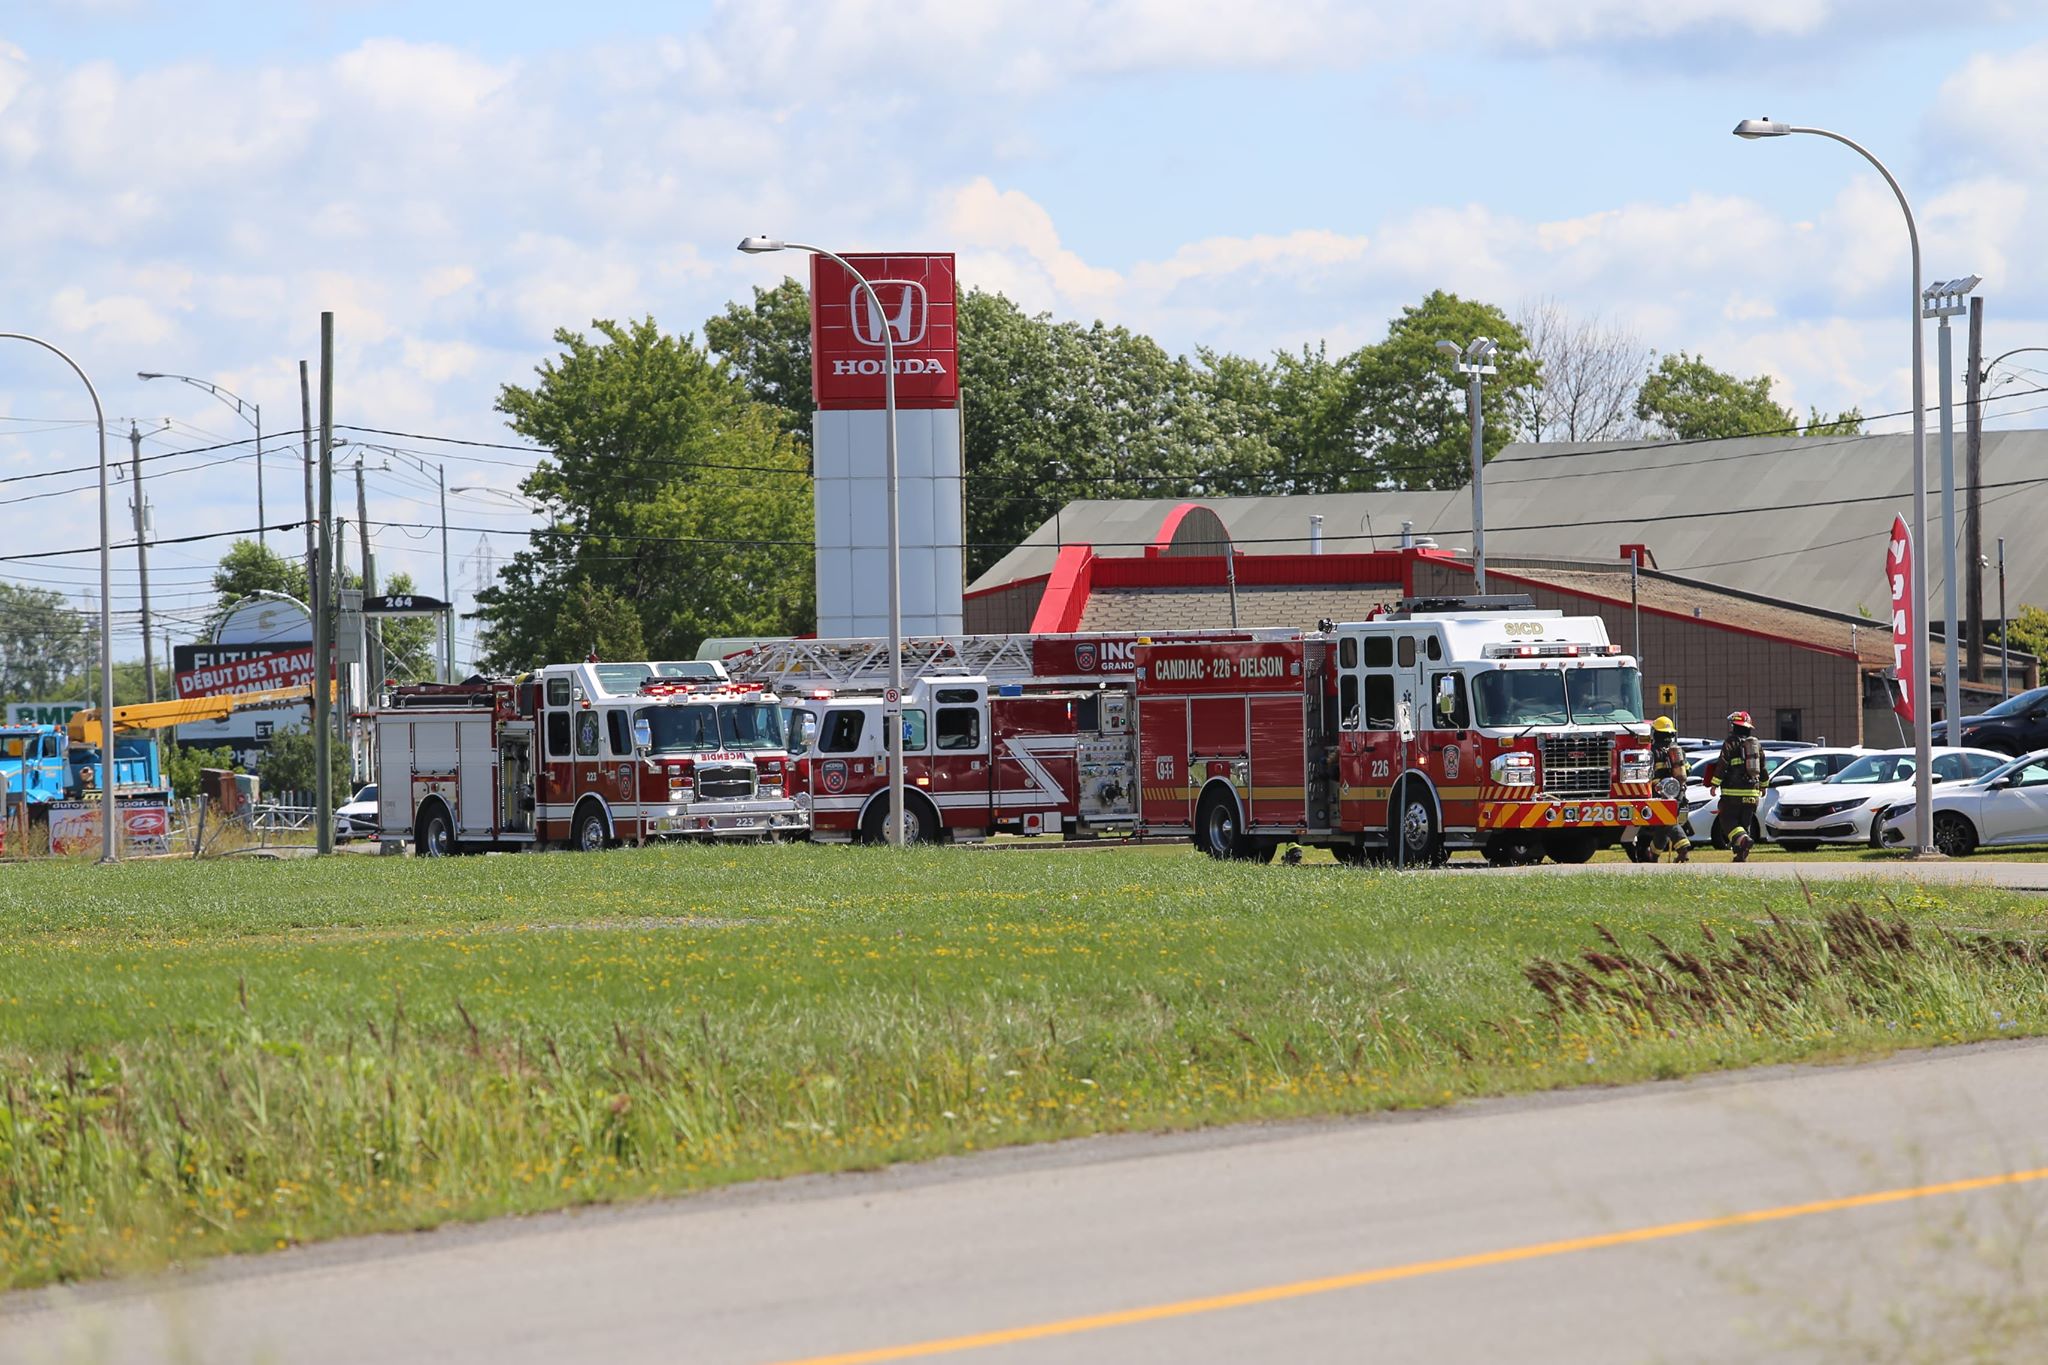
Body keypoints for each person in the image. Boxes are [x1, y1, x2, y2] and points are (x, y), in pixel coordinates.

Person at [1711, 710, 1765, 863]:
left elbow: (1722, 764)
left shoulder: (1730, 742)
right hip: (1752, 794)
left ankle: (1742, 841)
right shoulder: (1756, 745)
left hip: (1732, 794)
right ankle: (1741, 854)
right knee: (1744, 824)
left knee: (1727, 821)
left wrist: (1714, 784)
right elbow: (1763, 767)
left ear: (1734, 726)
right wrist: (1763, 786)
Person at [1649, 715, 1690, 862]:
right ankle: (1652, 855)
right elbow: (1688, 770)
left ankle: (1683, 849)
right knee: (1662, 826)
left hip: (1661, 793)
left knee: (1668, 822)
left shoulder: (1653, 751)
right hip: (1679, 793)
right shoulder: (1679, 751)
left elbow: (1649, 774)